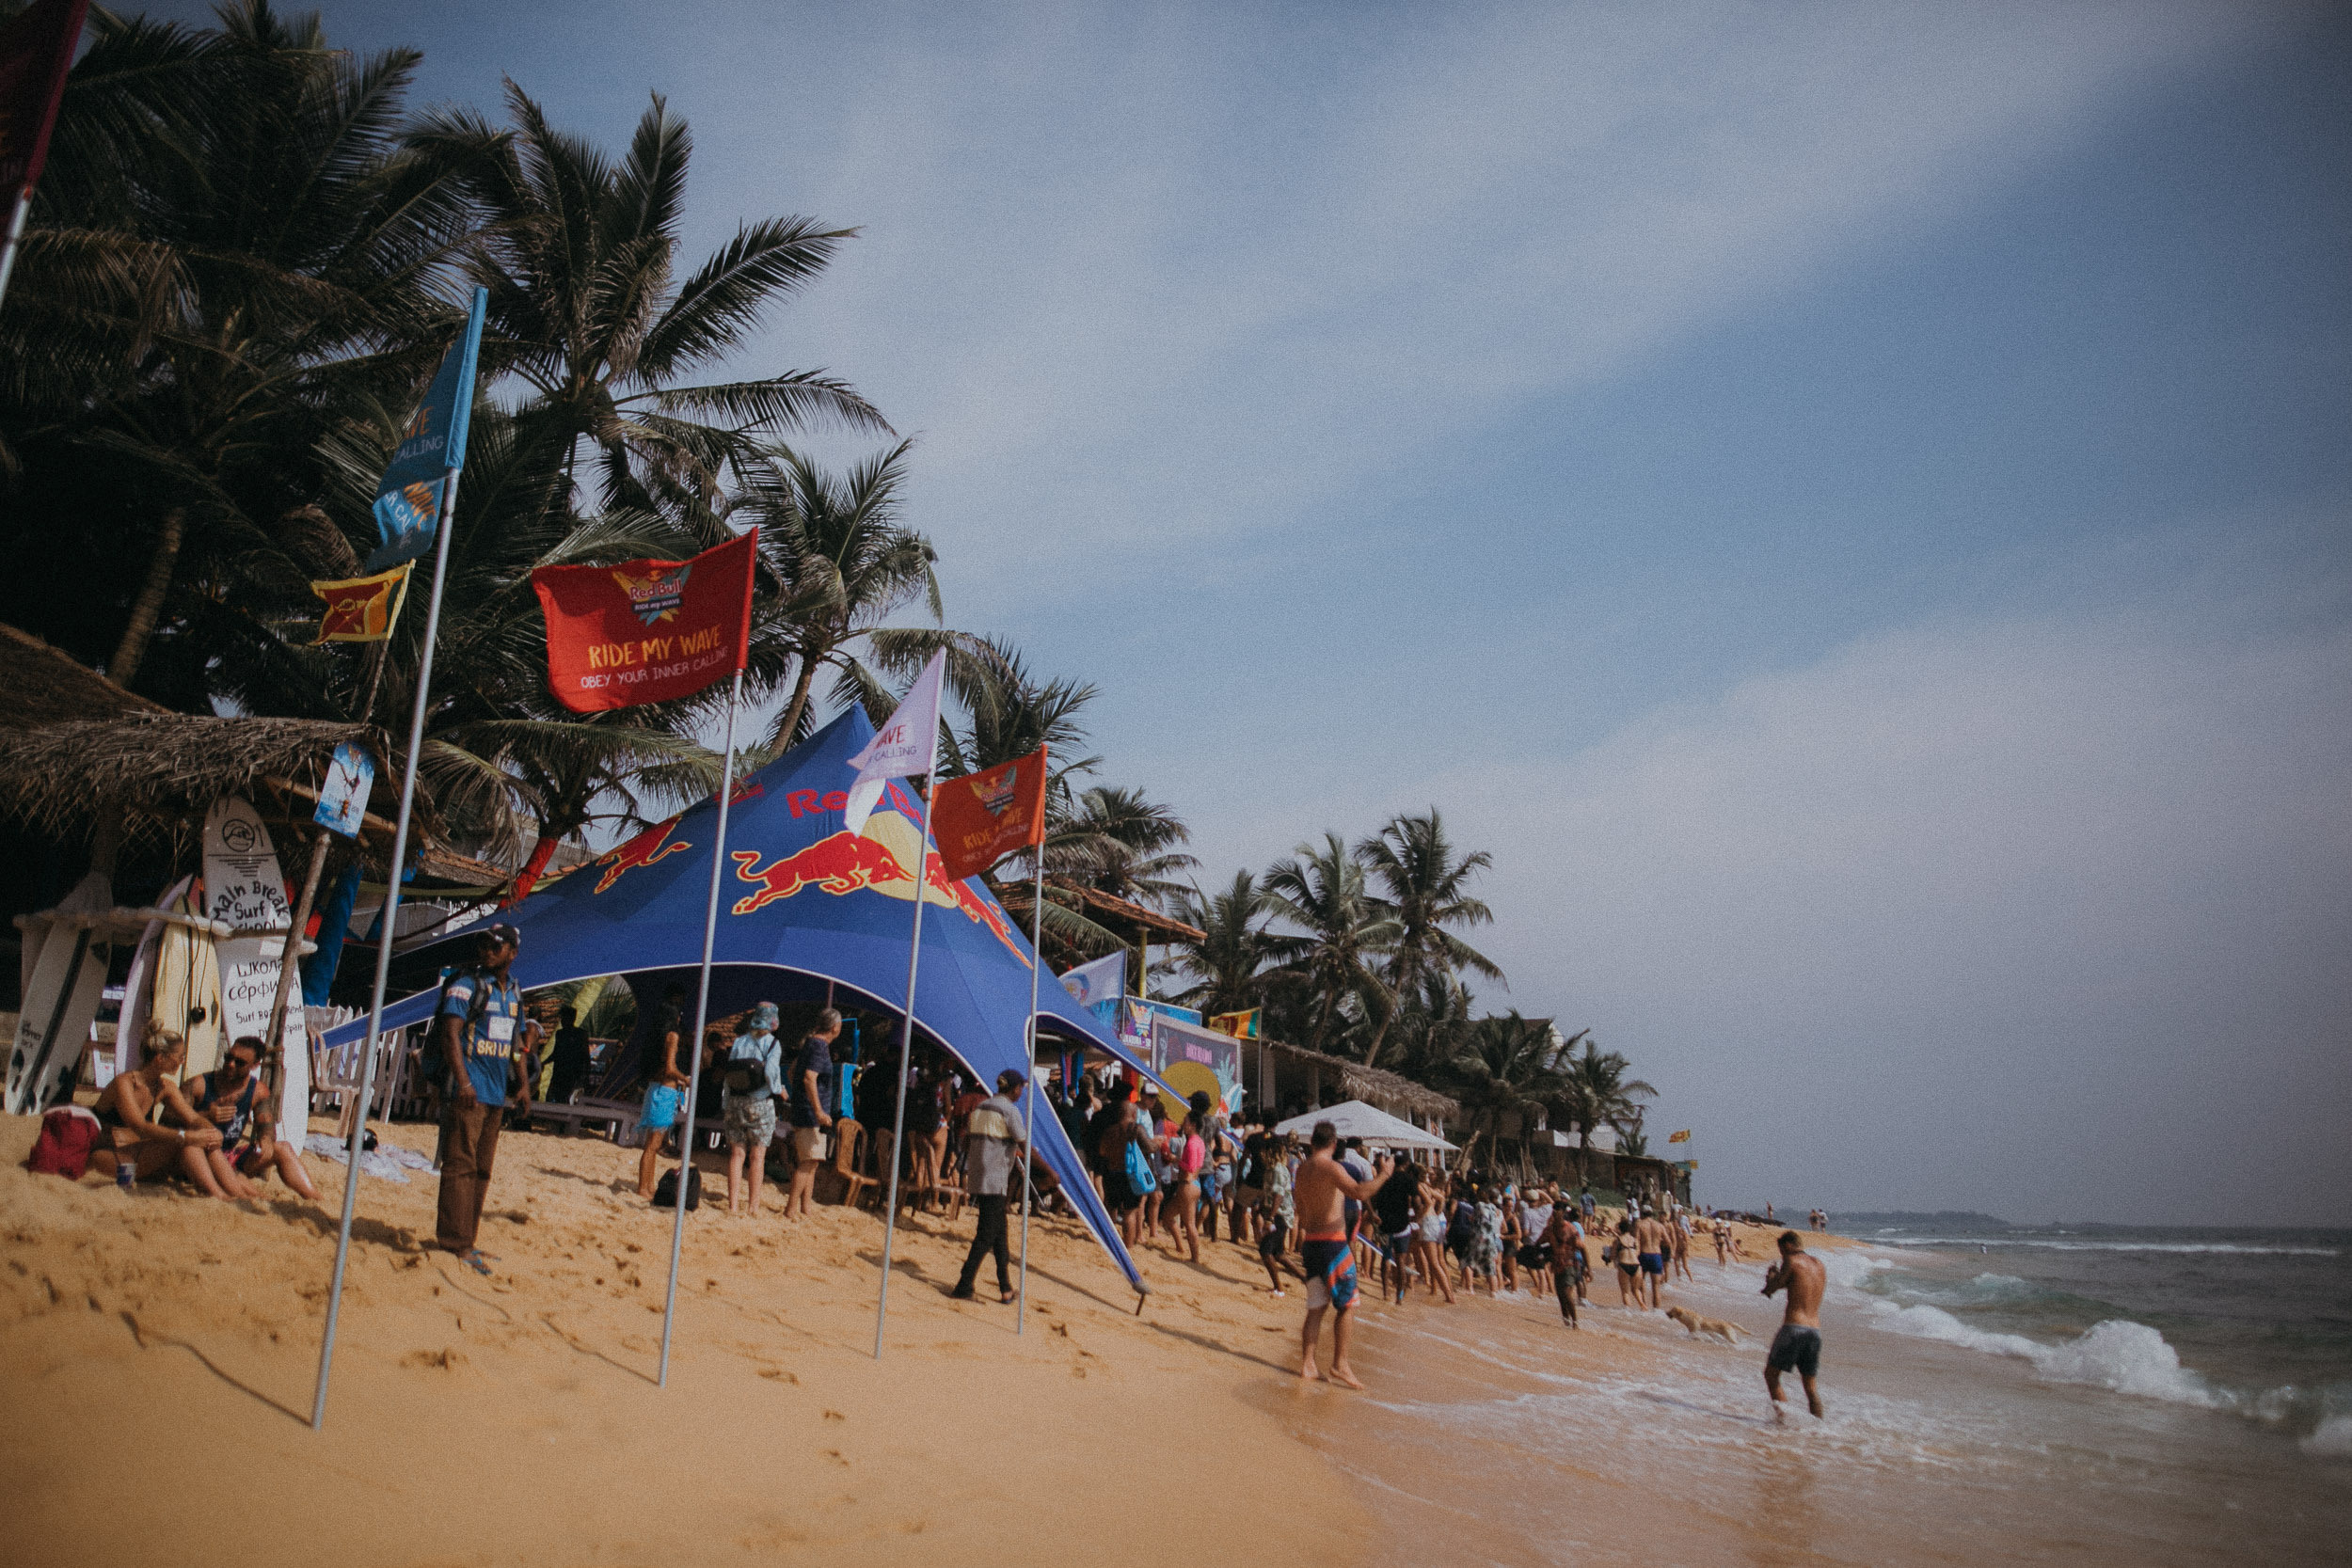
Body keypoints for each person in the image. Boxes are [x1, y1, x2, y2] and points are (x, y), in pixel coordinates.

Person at [434, 924, 525, 1272]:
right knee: (461, 1164)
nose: (487, 951)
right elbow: (450, 1034)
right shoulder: (466, 984)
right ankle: (454, 1242)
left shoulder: (514, 991)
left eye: (495, 946)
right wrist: (463, 1082)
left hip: (495, 1095)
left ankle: (467, 1240)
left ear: (512, 952)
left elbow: (515, 1042)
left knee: (482, 1169)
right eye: (483, 945)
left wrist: (523, 1084)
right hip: (469, 1092)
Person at [1293, 1120, 1389, 1387]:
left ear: (1312, 1141)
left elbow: (1300, 1207)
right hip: (1333, 1245)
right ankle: (1340, 1364)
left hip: (1311, 1243)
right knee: (1347, 1305)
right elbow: (1358, 1192)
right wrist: (1384, 1175)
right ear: (1334, 1144)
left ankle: (1308, 1364)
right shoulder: (1332, 1167)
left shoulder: (1302, 1170)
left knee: (1316, 1307)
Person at [183, 1034, 319, 1201]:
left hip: (228, 1156)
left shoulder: (257, 1091)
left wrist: (266, 1140)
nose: (230, 1064)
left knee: (283, 1148)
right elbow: (169, 1124)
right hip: (198, 1155)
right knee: (242, 1184)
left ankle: (314, 1199)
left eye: (239, 1062)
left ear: (255, 1065)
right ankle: (250, 1194)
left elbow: (267, 1127)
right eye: (228, 1057)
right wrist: (205, 1116)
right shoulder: (200, 1085)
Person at [95, 1028, 228, 1196]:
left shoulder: (165, 1087)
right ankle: (218, 1194)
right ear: (160, 1058)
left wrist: (212, 1131)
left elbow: (193, 1118)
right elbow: (139, 1126)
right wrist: (187, 1136)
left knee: (198, 1142)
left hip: (138, 1157)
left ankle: (230, 1192)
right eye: (180, 1056)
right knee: (185, 1141)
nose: (182, 1061)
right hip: (107, 1156)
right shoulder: (124, 1083)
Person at [951, 1069, 1031, 1302]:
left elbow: (966, 1143)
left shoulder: (981, 1107)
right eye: (1021, 1088)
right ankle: (964, 1284)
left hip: (978, 1176)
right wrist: (1049, 1171)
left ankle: (1005, 1288)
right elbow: (1024, 1144)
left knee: (999, 1232)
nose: (1021, 1092)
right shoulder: (1009, 1111)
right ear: (1015, 1089)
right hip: (995, 1179)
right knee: (986, 1235)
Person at [718, 1004, 784, 1215]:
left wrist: (726, 1103)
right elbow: (771, 1073)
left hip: (736, 1102)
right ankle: (752, 1207)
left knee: (736, 1154)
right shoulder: (772, 1044)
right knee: (757, 1157)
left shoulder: (739, 1041)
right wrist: (778, 1089)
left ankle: (733, 1205)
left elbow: (729, 1075)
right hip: (760, 1103)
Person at [634, 982, 691, 1200]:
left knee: (653, 1143)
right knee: (653, 1145)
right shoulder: (672, 1036)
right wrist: (685, 1078)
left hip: (656, 1089)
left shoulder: (656, 1036)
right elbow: (670, 1068)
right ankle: (643, 1186)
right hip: (665, 1092)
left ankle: (648, 1185)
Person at [1762, 1229, 1827, 1418]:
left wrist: (1771, 1278)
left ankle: (1783, 1423)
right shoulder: (1819, 1265)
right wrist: (1779, 1279)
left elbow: (1771, 1289)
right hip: (1815, 1331)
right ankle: (1820, 1428)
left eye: (1782, 1251)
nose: (1782, 1256)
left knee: (1771, 1375)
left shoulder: (1791, 1260)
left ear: (1788, 1246)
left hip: (1794, 1328)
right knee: (1811, 1388)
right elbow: (1799, 1284)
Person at [785, 1007, 840, 1219]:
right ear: (835, 1027)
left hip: (806, 1110)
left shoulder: (810, 1043)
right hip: (811, 1114)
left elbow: (792, 1072)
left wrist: (800, 1096)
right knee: (808, 1161)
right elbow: (809, 1077)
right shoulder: (819, 1047)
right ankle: (791, 1208)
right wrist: (817, 1110)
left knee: (813, 1161)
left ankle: (805, 1207)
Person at [1161, 1093, 1209, 1264]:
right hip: (1193, 1183)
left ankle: (1195, 1258)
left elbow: (1190, 1166)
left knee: (1189, 1224)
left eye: (1186, 1122)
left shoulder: (1192, 1143)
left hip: (1187, 1184)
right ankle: (1181, 1247)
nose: (1183, 1124)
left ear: (1193, 1125)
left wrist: (1175, 1159)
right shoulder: (1199, 1142)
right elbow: (1198, 1165)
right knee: (1168, 1216)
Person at [1256, 1133, 1295, 1293]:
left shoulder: (1278, 1170)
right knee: (1279, 1254)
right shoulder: (1271, 1169)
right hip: (1276, 1213)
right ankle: (1306, 1279)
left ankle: (1278, 1287)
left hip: (1279, 1215)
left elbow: (1278, 1195)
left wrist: (1270, 1218)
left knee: (1265, 1251)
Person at [1409, 1170, 1454, 1304]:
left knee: (1434, 1263)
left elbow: (1429, 1203)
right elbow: (1441, 1198)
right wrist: (1437, 1212)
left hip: (1427, 1223)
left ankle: (1449, 1296)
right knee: (1437, 1261)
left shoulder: (1419, 1186)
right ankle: (1443, 1291)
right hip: (1435, 1222)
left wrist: (1420, 1218)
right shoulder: (1427, 1187)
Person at [1544, 1203, 1581, 1327]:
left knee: (1566, 1293)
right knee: (1560, 1295)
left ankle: (1575, 1322)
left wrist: (1588, 1268)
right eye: (1554, 1209)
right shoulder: (1550, 1229)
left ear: (1564, 1212)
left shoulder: (1570, 1229)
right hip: (1557, 1265)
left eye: (1558, 1210)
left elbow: (1581, 1247)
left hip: (1570, 1264)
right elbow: (1540, 1242)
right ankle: (1566, 1320)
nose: (1555, 1212)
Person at [547, 1005, 591, 1104]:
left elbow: (585, 1055)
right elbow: (556, 1053)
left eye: (564, 1018)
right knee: (558, 1098)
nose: (562, 1021)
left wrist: (586, 1075)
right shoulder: (560, 1034)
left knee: (570, 1099)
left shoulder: (580, 1034)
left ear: (572, 1019)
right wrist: (543, 1062)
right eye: (561, 1018)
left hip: (573, 1074)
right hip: (559, 1073)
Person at [1635, 1205, 1671, 1309]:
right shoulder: (1659, 1226)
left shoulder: (1640, 1224)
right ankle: (1656, 1311)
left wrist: (1635, 1256)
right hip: (1656, 1255)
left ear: (1642, 1214)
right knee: (1656, 1286)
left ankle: (1644, 1307)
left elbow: (1636, 1241)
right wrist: (1658, 1244)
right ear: (1651, 1214)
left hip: (1644, 1254)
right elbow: (1668, 1242)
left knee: (1641, 1282)